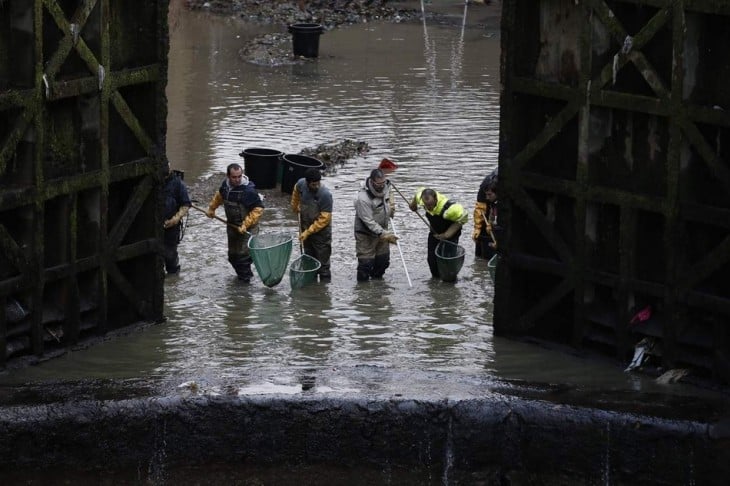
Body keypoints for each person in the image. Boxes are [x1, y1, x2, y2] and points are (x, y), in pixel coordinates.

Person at [206, 163, 264, 282]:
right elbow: (219, 197)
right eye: (234, 177)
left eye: (239, 176)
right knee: (232, 257)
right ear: (228, 176)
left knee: (243, 258)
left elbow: (258, 209)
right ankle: (245, 278)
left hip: (248, 229)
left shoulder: (248, 191)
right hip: (232, 226)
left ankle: (245, 285)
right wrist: (212, 209)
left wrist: (245, 225)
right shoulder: (225, 187)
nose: (237, 180)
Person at [409, 187, 469, 279]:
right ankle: (435, 282)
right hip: (435, 232)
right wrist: (413, 205)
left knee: (447, 260)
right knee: (432, 260)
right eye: (426, 206)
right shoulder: (421, 198)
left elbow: (463, 218)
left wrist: (446, 235)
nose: (429, 208)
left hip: (451, 233)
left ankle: (449, 281)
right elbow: (418, 192)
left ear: (436, 199)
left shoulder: (450, 210)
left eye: (431, 205)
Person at [354, 168, 398, 281]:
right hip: (366, 233)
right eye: (379, 184)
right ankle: (363, 292)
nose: (382, 185)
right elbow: (368, 221)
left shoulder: (386, 186)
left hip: (382, 228)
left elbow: (389, 194)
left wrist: (391, 207)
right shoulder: (363, 198)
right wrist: (385, 235)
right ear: (372, 182)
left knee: (383, 262)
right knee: (366, 265)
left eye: (383, 182)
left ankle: (377, 289)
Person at [291, 167, 333, 280]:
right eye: (314, 184)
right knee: (309, 260)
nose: (317, 186)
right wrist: (295, 206)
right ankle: (311, 287)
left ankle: (323, 290)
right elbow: (296, 191)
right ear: (307, 182)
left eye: (318, 183)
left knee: (323, 265)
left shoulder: (325, 195)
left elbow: (325, 219)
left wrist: (309, 232)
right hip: (305, 228)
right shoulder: (301, 184)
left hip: (321, 234)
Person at [162, 164, 191, 274]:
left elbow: (186, 204)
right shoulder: (153, 181)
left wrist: (175, 219)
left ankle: (173, 276)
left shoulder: (178, 183)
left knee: (170, 256)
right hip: (154, 224)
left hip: (171, 226)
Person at [472, 168, 499, 259]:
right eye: (486, 195)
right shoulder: (485, 188)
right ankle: (481, 261)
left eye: (489, 195)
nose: (487, 197)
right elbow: (479, 210)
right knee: (483, 232)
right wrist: (477, 229)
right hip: (488, 207)